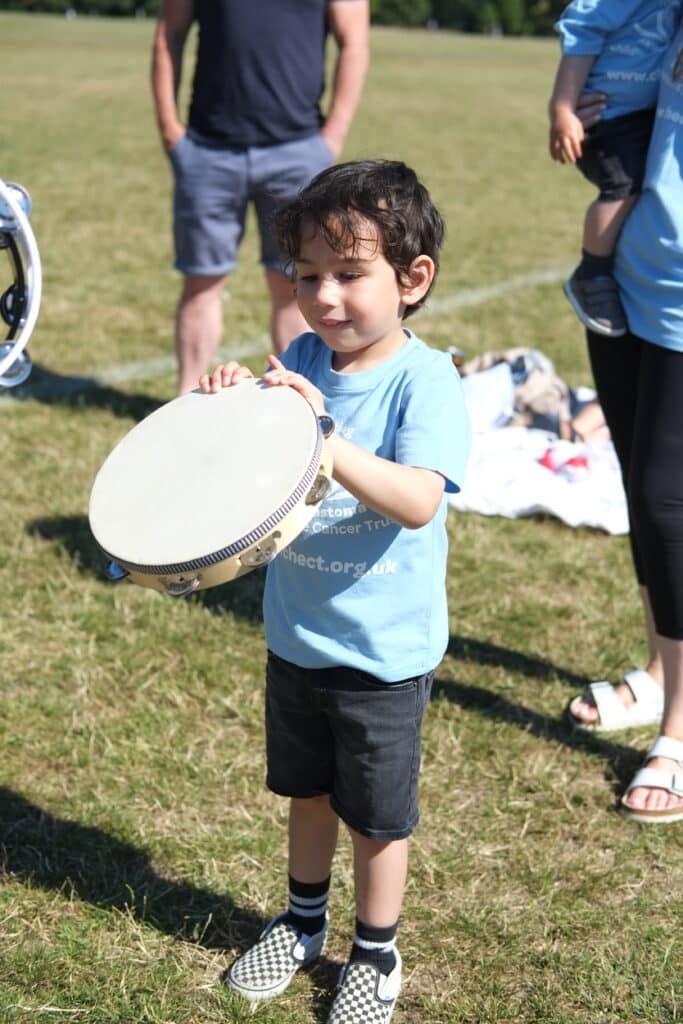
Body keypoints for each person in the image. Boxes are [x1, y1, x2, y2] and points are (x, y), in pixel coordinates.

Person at [199, 160, 471, 1019]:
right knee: (307, 793)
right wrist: (235, 404)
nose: (322, 298)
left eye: (349, 275)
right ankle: (302, 921)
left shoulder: (423, 382)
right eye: (306, 275)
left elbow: (419, 500)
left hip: (383, 655)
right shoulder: (305, 358)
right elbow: (252, 473)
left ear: (412, 279)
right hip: (297, 639)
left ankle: (375, 953)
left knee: (375, 818)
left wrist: (320, 428)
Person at [565, 19, 683, 825]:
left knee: (665, 498)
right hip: (627, 292)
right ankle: (657, 671)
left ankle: (680, 729)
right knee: (640, 496)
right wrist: (585, 109)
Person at [151, 0, 370, 395]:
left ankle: (298, 408)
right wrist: (171, 129)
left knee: (297, 284)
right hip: (208, 150)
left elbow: (354, 40)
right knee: (201, 283)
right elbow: (171, 31)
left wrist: (331, 138)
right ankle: (185, 407)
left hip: (297, 151)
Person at [548, 0, 681, 338]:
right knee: (623, 185)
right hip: (607, 117)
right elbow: (579, 36)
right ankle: (591, 272)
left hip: (639, 117)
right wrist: (563, 109)